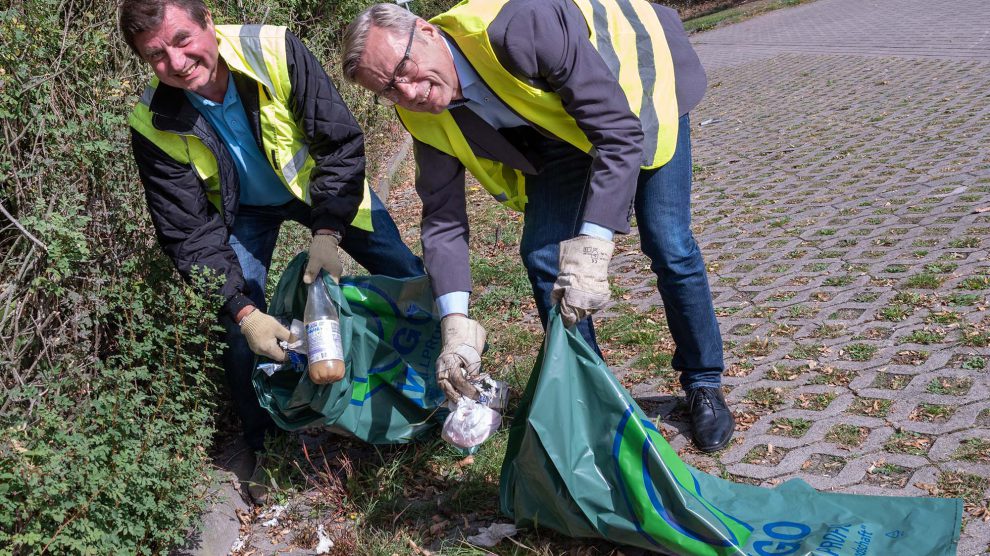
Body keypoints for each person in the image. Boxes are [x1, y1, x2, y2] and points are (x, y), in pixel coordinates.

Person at [341, 0, 734, 452]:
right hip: (561, 130)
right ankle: (599, 401)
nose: (408, 92)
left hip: (640, 86)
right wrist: (455, 326)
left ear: (427, 33)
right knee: (543, 256)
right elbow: (443, 219)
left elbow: (620, 134)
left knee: (668, 243)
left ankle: (703, 382)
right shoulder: (420, 110)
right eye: (389, 89)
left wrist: (593, 244)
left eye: (403, 70)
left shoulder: (519, 26)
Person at [118, 0, 425, 501]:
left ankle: (445, 376)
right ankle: (269, 448)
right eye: (155, 55)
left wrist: (328, 231)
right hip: (244, 212)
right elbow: (187, 232)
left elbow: (339, 144)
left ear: (209, 23)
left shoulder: (274, 49)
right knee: (241, 331)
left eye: (181, 40)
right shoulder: (153, 121)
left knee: (404, 273)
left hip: (318, 191)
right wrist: (243, 311)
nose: (175, 63)